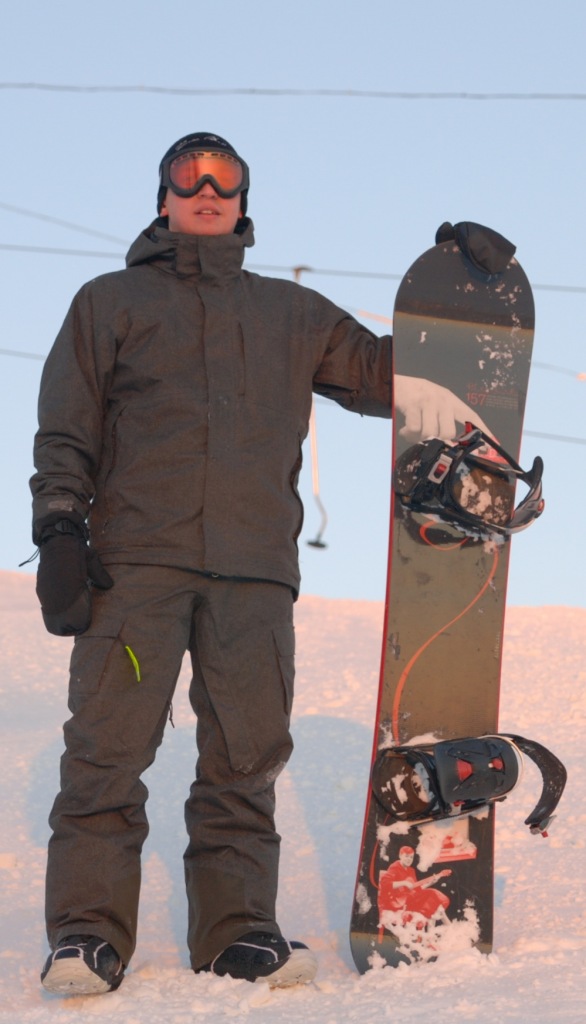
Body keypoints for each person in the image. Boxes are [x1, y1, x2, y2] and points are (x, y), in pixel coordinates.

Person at [31, 132, 491, 996]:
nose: (206, 188)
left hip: (253, 572)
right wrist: (59, 528)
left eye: (225, 177)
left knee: (246, 758)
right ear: (164, 198)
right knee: (105, 754)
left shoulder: (291, 314)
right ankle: (86, 935)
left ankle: (238, 931)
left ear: (244, 200)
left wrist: (458, 300)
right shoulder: (109, 302)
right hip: (136, 566)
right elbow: (66, 427)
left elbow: (385, 375)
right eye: (188, 175)